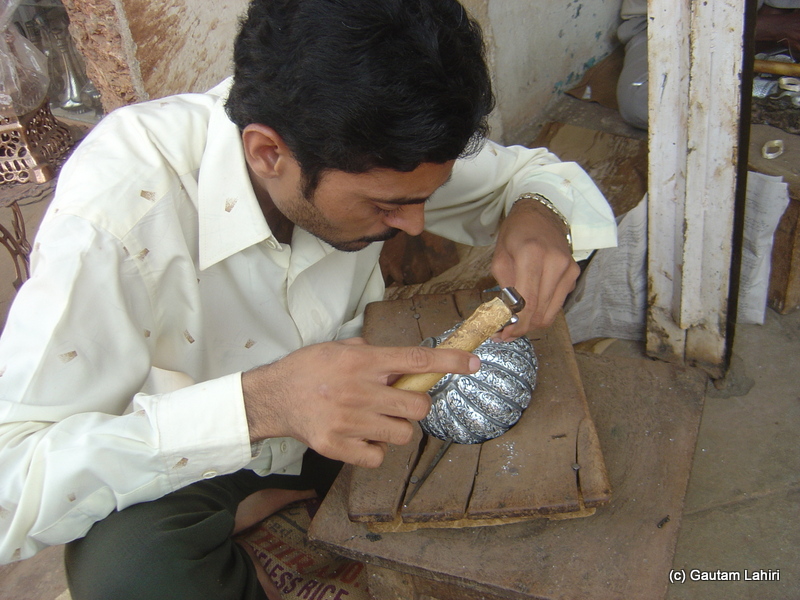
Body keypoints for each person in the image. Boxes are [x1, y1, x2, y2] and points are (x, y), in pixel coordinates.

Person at [0, 0, 617, 598]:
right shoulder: (120, 213)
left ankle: (291, 495)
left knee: (519, 488)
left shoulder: (369, 150)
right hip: (206, 449)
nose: (415, 224)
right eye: (385, 205)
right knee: (127, 574)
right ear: (268, 153)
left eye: (430, 195)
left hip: (365, 410)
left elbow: (530, 176)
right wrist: (262, 405)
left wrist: (538, 213)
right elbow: (10, 479)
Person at [617, 0, 800, 130]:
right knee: (642, 103)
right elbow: (674, 18)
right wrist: (772, 27)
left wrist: (779, 27)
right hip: (669, 26)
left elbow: (776, 13)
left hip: (758, 29)